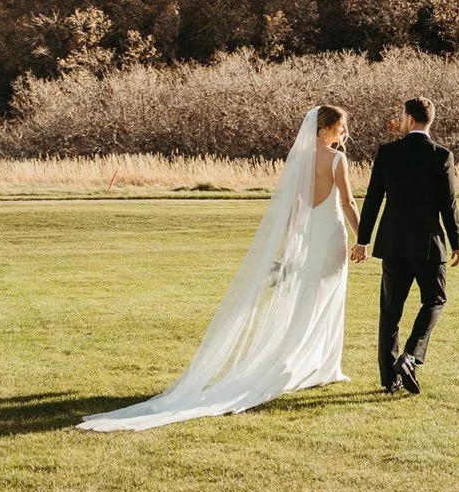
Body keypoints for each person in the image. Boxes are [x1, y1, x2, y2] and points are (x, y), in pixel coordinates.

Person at [79, 106, 361, 431]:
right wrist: (363, 239)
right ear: (326, 129)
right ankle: (321, 366)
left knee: (305, 300)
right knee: (327, 298)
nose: (344, 132)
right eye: (341, 127)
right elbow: (348, 202)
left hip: (308, 239)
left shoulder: (299, 160)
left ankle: (316, 365)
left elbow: (294, 209)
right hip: (330, 237)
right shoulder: (337, 160)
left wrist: (293, 244)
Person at [352, 96, 459, 395]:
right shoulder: (442, 155)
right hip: (428, 244)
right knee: (435, 300)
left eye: (402, 116)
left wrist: (362, 240)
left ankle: (390, 381)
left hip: (393, 243)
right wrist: (456, 242)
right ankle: (411, 356)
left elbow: (373, 198)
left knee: (390, 312)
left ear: (410, 119)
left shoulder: (387, 153)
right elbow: (448, 204)